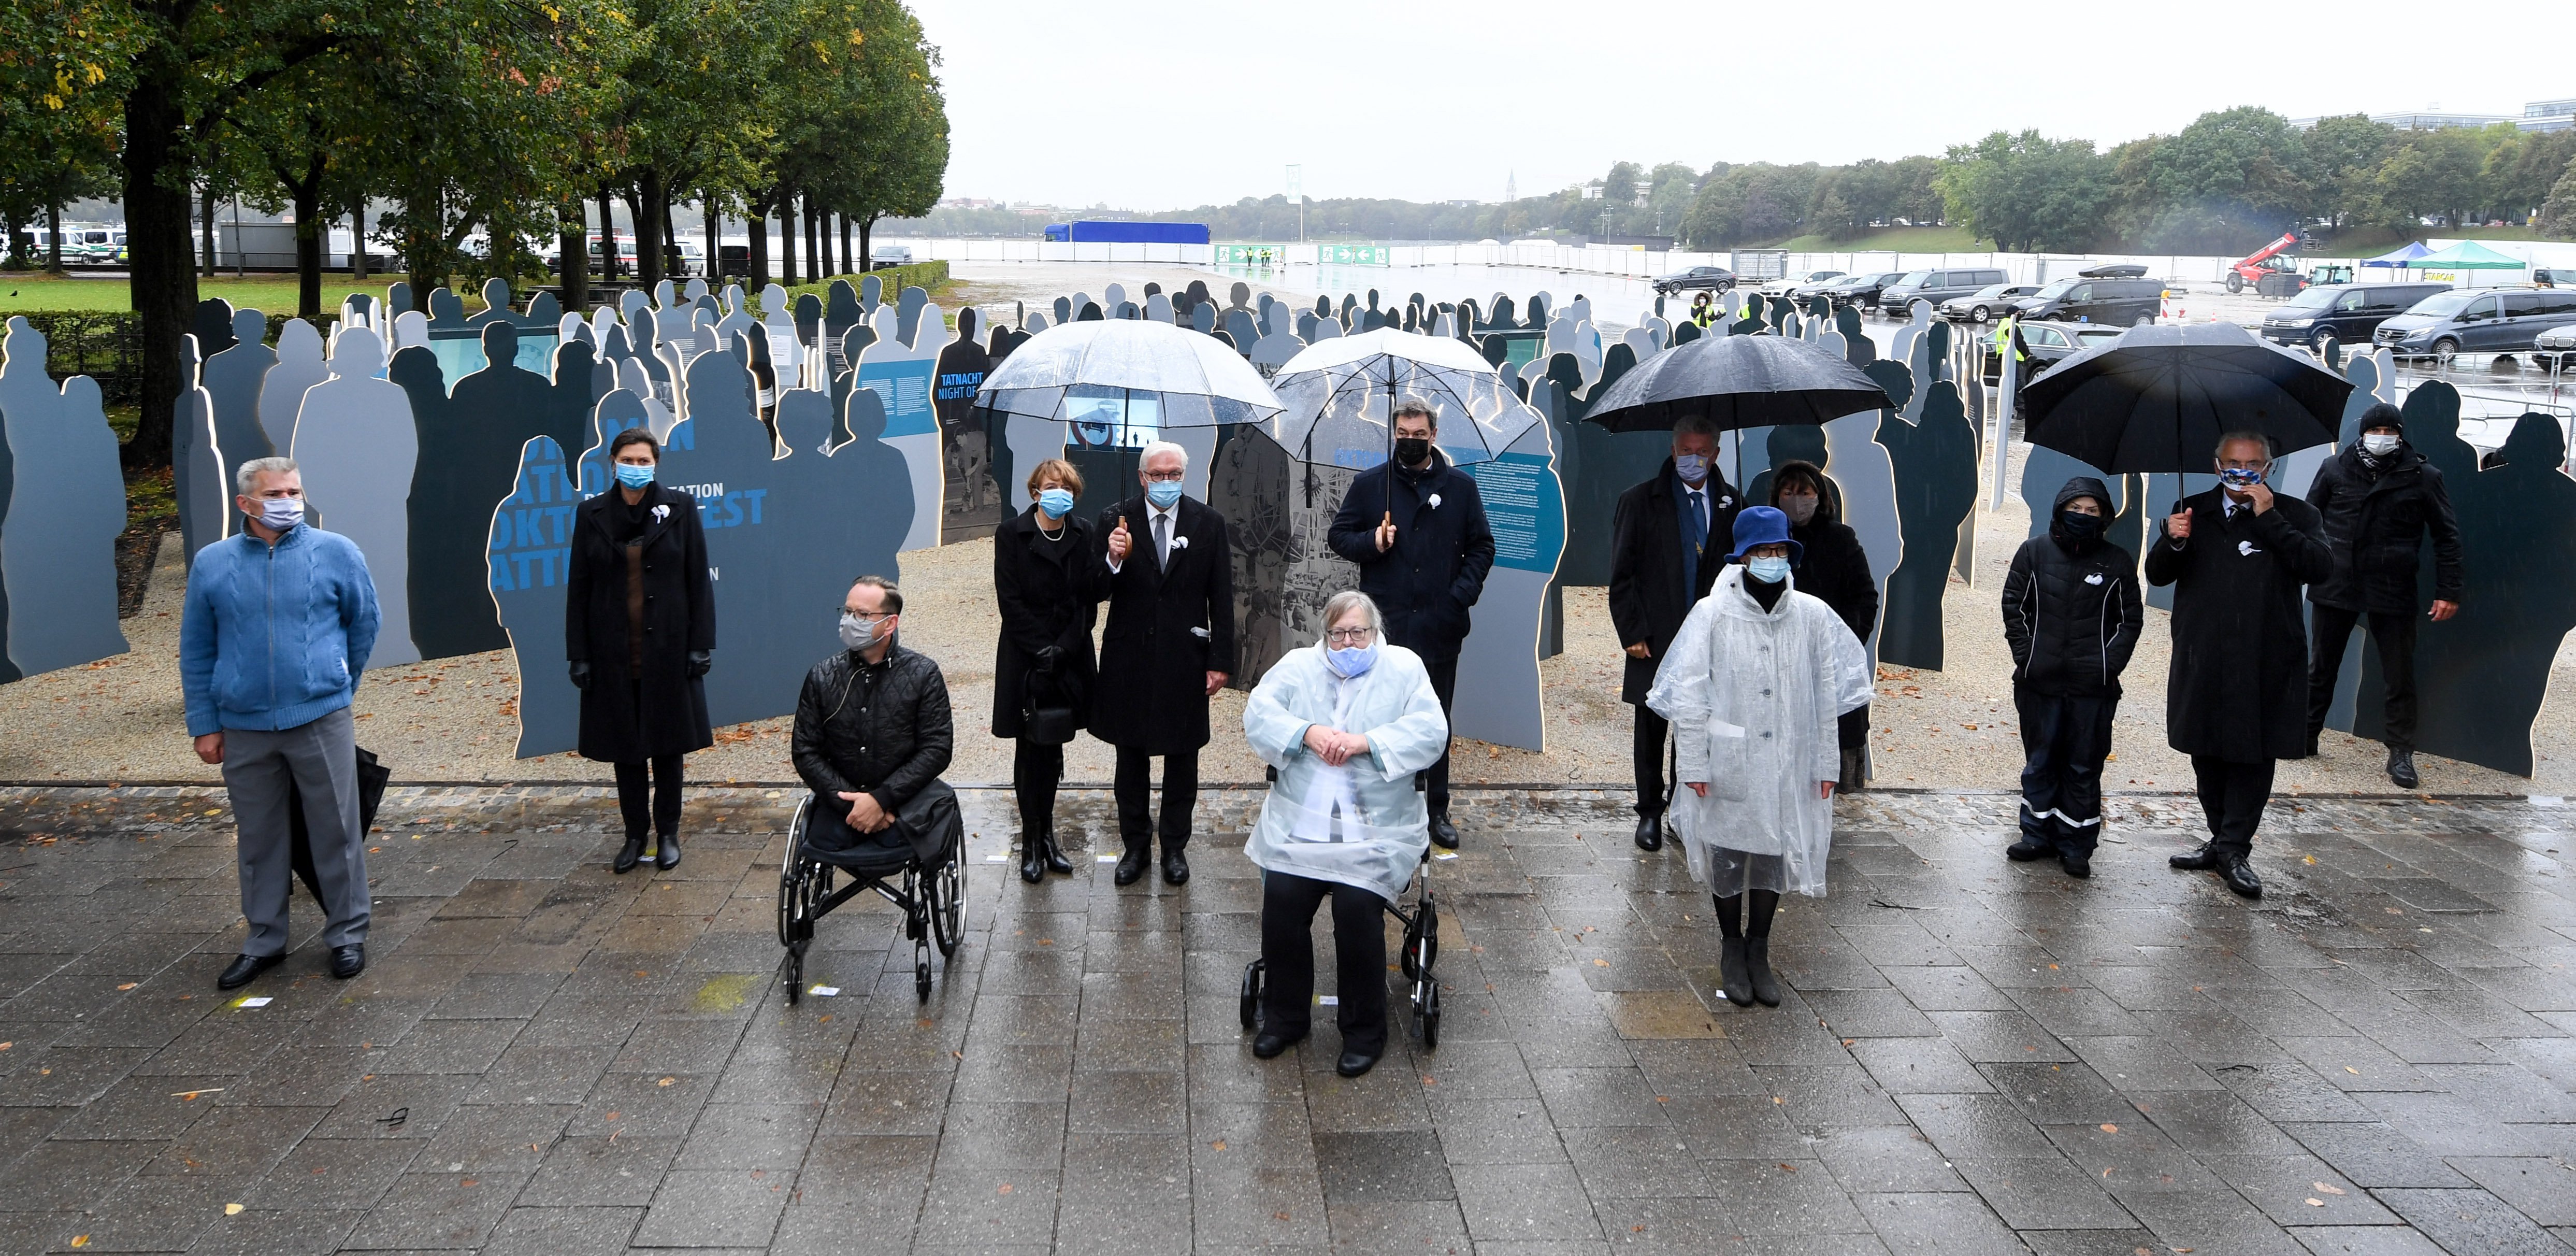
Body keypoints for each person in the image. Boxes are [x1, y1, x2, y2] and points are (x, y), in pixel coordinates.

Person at [1647, 507, 1872, 1008]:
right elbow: (1687, 693)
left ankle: (1759, 948)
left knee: (1773, 846)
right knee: (1729, 849)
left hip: (1788, 757)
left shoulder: (1810, 616)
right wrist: (1695, 766)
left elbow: (1827, 690)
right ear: (1742, 556)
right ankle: (1730, 947)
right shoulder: (1712, 614)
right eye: (1761, 552)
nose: (1771, 560)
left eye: (1778, 552)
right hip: (1729, 754)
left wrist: (1825, 765)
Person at [181, 457, 382, 989]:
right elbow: (198, 648)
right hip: (243, 725)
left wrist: (336, 681)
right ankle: (264, 940)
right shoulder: (212, 563)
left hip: (319, 718)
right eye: (276, 493)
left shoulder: (337, 552)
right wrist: (204, 722)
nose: (290, 500)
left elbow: (364, 623)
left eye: (295, 490)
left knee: (336, 831)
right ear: (246, 503)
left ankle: (346, 935)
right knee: (259, 837)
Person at [1242, 590, 1449, 1078]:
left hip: (1376, 825)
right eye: (1338, 634)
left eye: (1359, 632)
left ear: (1376, 633)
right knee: (1284, 899)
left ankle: (1363, 1031)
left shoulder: (1404, 669)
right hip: (1303, 823)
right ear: (1325, 636)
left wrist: (1368, 743)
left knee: (1357, 908)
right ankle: (1286, 1016)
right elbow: (1259, 712)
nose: (1349, 642)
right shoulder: (1297, 667)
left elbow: (1431, 731)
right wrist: (1307, 732)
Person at [2147, 433, 2331, 900]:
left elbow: (2319, 567)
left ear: (2267, 468)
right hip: (2203, 651)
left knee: (2252, 751)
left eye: (2251, 463)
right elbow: (2156, 574)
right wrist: (2171, 540)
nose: (2241, 471)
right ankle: (2220, 839)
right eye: (2232, 462)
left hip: (2264, 656)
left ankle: (2234, 848)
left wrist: (2269, 519)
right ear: (2216, 465)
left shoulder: (2296, 513)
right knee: (2204, 747)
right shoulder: (2191, 508)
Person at [1327, 398, 1495, 849]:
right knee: (1381, 716)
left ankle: (1436, 808)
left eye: (1418, 436)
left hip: (1439, 626)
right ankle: (1382, 802)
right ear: (1393, 433)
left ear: (1433, 436)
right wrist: (1373, 541)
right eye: (1403, 434)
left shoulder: (1460, 487)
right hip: (1386, 627)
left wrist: (1458, 598)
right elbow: (1338, 537)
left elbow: (1482, 547)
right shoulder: (1370, 486)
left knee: (1434, 718)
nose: (1410, 442)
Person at [566, 429, 714, 873]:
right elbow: (579, 587)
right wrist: (579, 652)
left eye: (643, 459)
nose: (636, 466)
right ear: (612, 462)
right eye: (627, 458)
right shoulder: (591, 514)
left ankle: (667, 833)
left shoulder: (680, 509)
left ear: (656, 464)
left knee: (668, 746)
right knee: (624, 748)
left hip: (668, 648)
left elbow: (697, 580)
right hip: (613, 651)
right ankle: (635, 835)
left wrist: (700, 644)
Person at [1095, 440, 1236, 887]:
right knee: (1130, 755)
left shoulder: (1207, 522)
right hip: (1129, 656)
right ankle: (1135, 845)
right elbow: (1094, 589)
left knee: (1182, 754)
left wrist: (1220, 661)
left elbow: (1222, 596)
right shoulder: (1114, 519)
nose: (1166, 482)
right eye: (1158, 475)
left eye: (1174, 474)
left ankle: (1175, 845)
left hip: (1184, 656)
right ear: (1142, 477)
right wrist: (1113, 558)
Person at [2302, 402, 2464, 789]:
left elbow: (2447, 537)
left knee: (2397, 674)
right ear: (2363, 433)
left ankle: (2401, 752)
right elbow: (2308, 519)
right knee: (2320, 667)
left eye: (2389, 430)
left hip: (2391, 585)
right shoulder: (2334, 468)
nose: (2381, 437)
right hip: (2337, 581)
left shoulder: (2423, 476)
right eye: (2375, 430)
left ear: (2400, 434)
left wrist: (2448, 591)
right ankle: (2305, 735)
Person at [1608, 414, 1743, 851]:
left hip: (1710, 638)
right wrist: (1632, 631)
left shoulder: (1732, 504)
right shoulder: (1639, 502)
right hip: (1656, 635)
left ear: (1716, 454)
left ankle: (1684, 809)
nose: (1693, 459)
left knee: (1698, 726)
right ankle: (1649, 812)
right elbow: (1622, 574)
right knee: (1651, 726)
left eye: (1701, 452)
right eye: (1685, 451)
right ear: (1672, 451)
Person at [2001, 478, 2143, 878]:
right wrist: (2027, 657)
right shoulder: (2033, 553)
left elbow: (2130, 619)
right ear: (2061, 508)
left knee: (2083, 765)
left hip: (2092, 687)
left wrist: (2106, 665)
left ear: (2103, 518)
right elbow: (2014, 606)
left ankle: (2076, 843)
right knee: (2040, 760)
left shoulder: (2115, 561)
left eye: (2091, 511)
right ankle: (2036, 835)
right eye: (2075, 508)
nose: (2082, 516)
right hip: (2038, 681)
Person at [993, 459, 1102, 882]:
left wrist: (1065, 647)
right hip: (1027, 656)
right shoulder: (1011, 534)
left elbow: (1088, 598)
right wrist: (1041, 649)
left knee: (1053, 742)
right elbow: (1010, 600)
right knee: (1029, 746)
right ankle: (1031, 839)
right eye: (1051, 485)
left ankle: (1051, 835)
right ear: (1035, 491)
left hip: (1069, 654)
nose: (1060, 493)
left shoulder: (1084, 531)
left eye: (1067, 487)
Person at [790, 576, 956, 854]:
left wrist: (881, 800)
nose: (850, 620)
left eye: (863, 614)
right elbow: (806, 751)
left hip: (905, 806)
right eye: (848, 611)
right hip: (840, 805)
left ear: (890, 623)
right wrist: (854, 805)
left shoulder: (923, 675)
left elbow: (937, 748)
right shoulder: (821, 676)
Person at [1769, 460, 1877, 790]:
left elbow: (1865, 595)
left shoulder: (1840, 538)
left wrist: (1849, 640)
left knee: (1832, 732)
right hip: (1778, 655)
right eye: (1789, 493)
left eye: (1805, 492)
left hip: (1829, 656)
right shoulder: (1768, 541)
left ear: (1819, 496)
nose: (1797, 500)